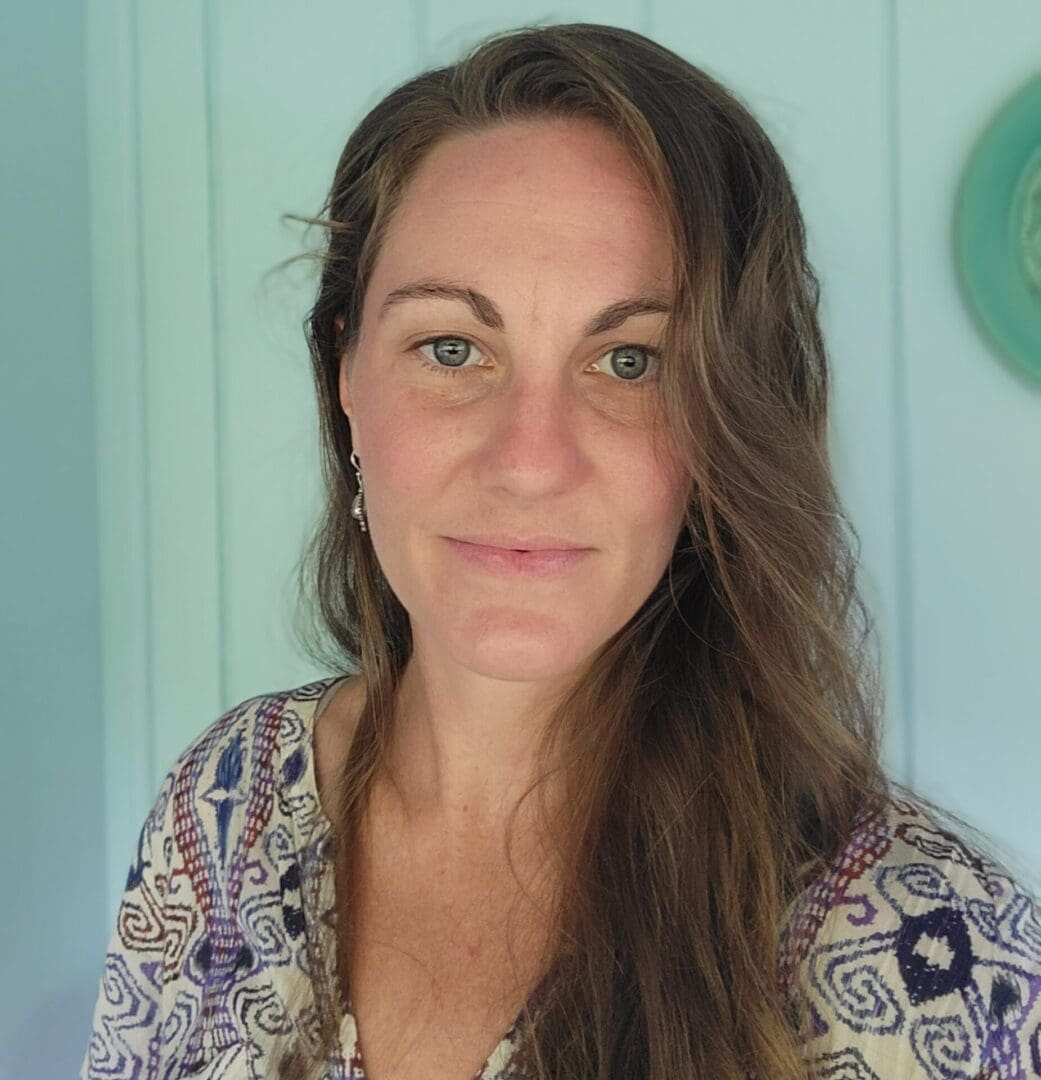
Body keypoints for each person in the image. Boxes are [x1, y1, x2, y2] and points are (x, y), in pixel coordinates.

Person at [80, 22, 1041, 1080]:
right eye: (452, 348)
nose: (530, 461)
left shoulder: (932, 952)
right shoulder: (224, 808)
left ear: (729, 425)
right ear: (345, 375)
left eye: (629, 361)